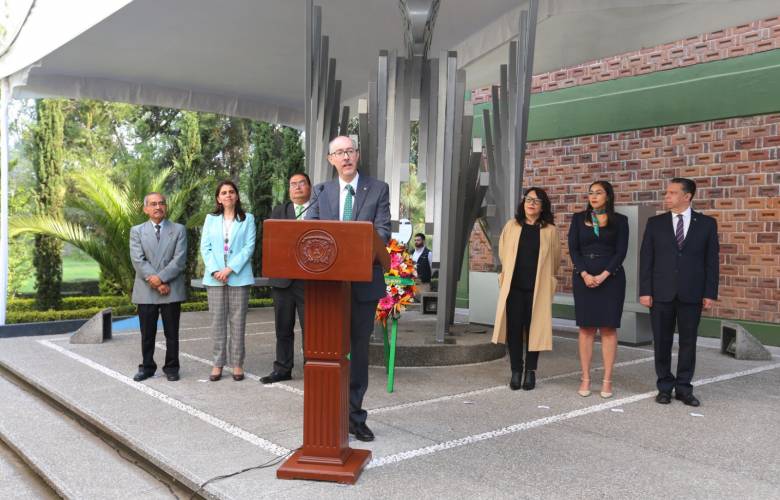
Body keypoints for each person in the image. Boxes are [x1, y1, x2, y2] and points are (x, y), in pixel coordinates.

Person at [306, 135, 391, 442]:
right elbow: (311, 231)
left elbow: (382, 230)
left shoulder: (377, 189)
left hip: (363, 285)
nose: (345, 157)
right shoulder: (321, 191)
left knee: (358, 351)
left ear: (358, 155)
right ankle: (330, 413)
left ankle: (355, 415)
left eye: (350, 151)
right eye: (339, 153)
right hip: (328, 288)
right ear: (331, 160)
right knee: (328, 349)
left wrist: (354, 253)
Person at [640, 178, 719, 407]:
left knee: (688, 342)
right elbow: (647, 260)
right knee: (662, 342)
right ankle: (664, 386)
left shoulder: (706, 224)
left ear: (687, 196)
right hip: (660, 293)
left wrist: (710, 293)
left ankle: (684, 388)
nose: (667, 196)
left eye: (672, 193)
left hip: (692, 293)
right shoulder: (655, 224)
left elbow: (711, 261)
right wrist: (646, 291)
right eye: (667, 192)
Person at [492, 187, 561, 391]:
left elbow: (555, 260)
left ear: (543, 207)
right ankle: (516, 370)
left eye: (537, 201)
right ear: (523, 203)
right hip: (514, 288)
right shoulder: (512, 226)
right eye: (528, 199)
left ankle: (530, 372)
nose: (531, 203)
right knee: (514, 330)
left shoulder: (550, 231)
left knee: (535, 330)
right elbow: (504, 254)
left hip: (537, 289)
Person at [568, 181, 628, 399]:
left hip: (610, 279)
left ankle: (607, 380)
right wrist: (584, 274)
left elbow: (621, 252)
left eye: (598, 193)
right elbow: (573, 249)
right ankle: (585, 378)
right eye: (591, 193)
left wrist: (603, 275)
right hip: (583, 278)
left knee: (608, 329)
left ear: (608, 196)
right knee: (586, 329)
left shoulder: (620, 221)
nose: (593, 196)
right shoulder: (578, 219)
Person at [200, 180, 256, 382]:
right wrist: (216, 270)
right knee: (217, 323)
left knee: (238, 323)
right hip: (214, 278)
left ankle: (237, 364)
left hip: (238, 277)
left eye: (231, 192)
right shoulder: (210, 219)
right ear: (218, 198)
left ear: (237, 196)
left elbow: (249, 247)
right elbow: (205, 247)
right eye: (223, 192)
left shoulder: (247, 219)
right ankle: (217, 363)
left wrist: (230, 269)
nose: (228, 195)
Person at [129, 192, 187, 382]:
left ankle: (172, 367)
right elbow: (138, 260)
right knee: (147, 333)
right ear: (146, 209)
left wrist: (161, 280)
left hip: (171, 288)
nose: (158, 207)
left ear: (166, 207)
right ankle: (147, 367)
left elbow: (179, 260)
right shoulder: (137, 231)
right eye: (153, 204)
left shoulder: (178, 230)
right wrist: (156, 282)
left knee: (172, 333)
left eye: (161, 203)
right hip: (146, 290)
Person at [261, 172, 311, 384]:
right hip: (282, 280)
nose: (297, 187)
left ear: (310, 187)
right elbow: (272, 242)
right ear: (289, 189)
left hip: (309, 282)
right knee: (283, 327)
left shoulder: (319, 210)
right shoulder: (279, 211)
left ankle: (312, 366)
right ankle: (282, 368)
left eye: (301, 183)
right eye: (293, 184)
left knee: (310, 327)